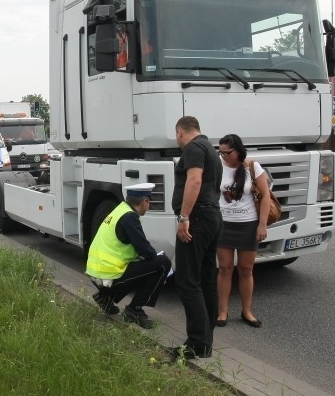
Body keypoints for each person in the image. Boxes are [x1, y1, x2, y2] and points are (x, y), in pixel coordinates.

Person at [169, 116, 223, 361]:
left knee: (188, 280)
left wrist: (184, 218)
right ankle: (206, 337)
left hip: (197, 219)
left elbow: (195, 180)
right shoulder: (211, 149)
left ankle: (196, 343)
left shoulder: (192, 149)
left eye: (176, 135)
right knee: (206, 277)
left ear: (180, 131)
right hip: (212, 216)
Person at [86, 183, 172, 329]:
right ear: (144, 201)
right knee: (163, 263)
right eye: (149, 202)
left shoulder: (120, 210)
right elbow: (146, 250)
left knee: (147, 266)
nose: (148, 205)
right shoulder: (130, 217)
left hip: (98, 271)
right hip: (110, 273)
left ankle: (106, 297)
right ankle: (134, 310)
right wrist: (162, 274)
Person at [216, 134, 269, 328]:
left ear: (238, 150)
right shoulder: (218, 167)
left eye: (227, 153)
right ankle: (222, 311)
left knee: (246, 270)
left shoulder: (253, 167)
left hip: (248, 224)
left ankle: (247, 311)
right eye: (220, 152)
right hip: (224, 224)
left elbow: (265, 197)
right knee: (224, 269)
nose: (223, 156)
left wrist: (262, 225)